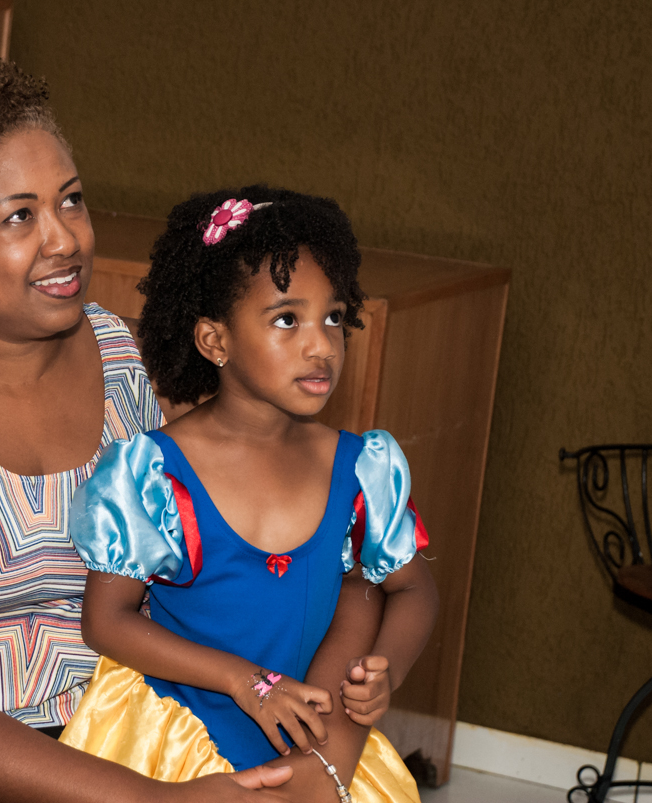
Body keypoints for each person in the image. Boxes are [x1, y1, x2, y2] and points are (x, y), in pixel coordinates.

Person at [0, 57, 387, 803]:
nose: (64, 239)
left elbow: (288, 540)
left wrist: (317, 734)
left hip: (146, 727)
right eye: (20, 216)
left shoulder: (129, 357)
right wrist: (154, 801)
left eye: (72, 200)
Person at [59, 187, 440, 802]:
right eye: (287, 320)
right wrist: (246, 681)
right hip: (178, 745)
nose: (322, 346)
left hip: (313, 745)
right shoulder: (155, 473)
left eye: (333, 318)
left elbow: (413, 589)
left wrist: (385, 670)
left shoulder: (359, 470)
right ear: (215, 341)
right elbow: (106, 621)